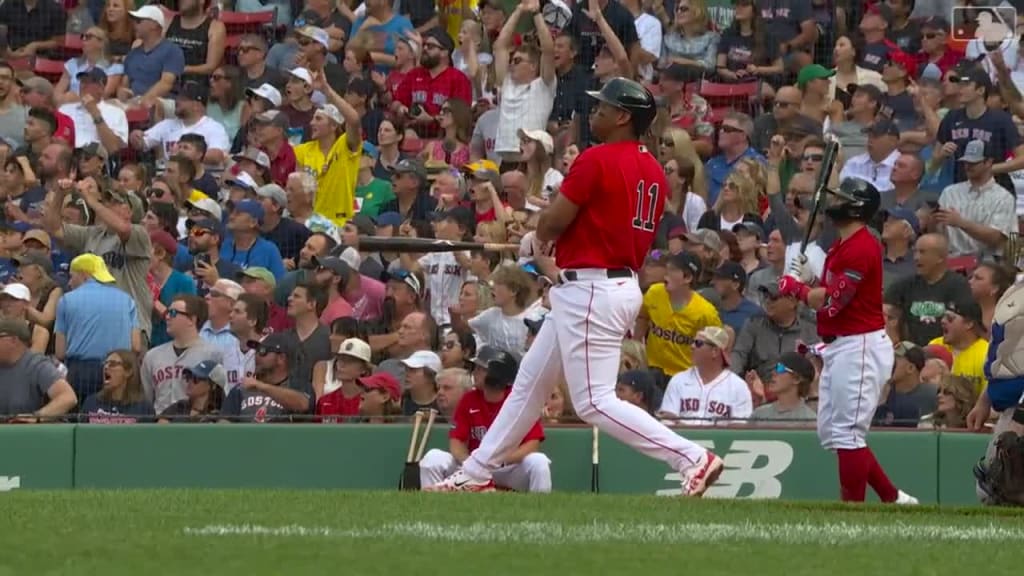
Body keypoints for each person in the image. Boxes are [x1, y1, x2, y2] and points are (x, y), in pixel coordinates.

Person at [427, 78, 724, 496]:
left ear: (623, 117)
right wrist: (547, 239)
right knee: (529, 385)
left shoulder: (598, 158)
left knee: (593, 401)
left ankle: (692, 457)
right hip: (604, 284)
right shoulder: (654, 168)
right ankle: (476, 471)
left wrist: (538, 236)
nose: (594, 113)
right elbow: (600, 219)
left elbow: (553, 221)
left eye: (603, 108)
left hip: (592, 288)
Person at [778, 177, 918, 504]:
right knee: (831, 432)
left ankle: (852, 509)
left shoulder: (861, 246)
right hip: (842, 344)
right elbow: (833, 288)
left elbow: (832, 302)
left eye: (840, 197)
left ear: (856, 207)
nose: (832, 202)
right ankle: (892, 498)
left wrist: (795, 288)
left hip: (860, 345)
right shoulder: (844, 243)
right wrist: (809, 277)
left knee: (848, 434)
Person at [420, 346, 551, 492]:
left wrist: (500, 462)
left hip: (507, 469)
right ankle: (434, 508)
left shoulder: (519, 401)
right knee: (433, 458)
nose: (474, 372)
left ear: (496, 374)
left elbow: (532, 444)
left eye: (480, 369)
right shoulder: (469, 399)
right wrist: (471, 464)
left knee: (539, 462)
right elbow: (456, 441)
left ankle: (540, 507)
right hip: (474, 468)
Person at [141, 294, 223, 414]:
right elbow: (146, 400)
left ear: (192, 320)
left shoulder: (213, 354)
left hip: (195, 425)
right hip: (159, 425)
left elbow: (219, 398)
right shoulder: (152, 356)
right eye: (167, 312)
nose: (167, 317)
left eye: (173, 312)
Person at [658, 326, 752, 426]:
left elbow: (739, 430)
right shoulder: (678, 380)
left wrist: (680, 423)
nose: (692, 346)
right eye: (693, 342)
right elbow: (667, 423)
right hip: (680, 441)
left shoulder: (739, 387)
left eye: (698, 343)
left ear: (714, 351)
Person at [221, 333, 313, 422]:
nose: (256, 356)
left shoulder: (298, 386)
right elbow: (223, 426)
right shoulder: (240, 389)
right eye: (256, 351)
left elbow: (303, 404)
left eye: (262, 351)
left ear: (281, 358)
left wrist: (261, 386)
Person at [80, 349, 155, 423]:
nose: (106, 367)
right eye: (105, 363)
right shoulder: (91, 402)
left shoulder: (143, 407)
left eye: (112, 364)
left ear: (128, 371)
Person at [750, 351, 817, 426]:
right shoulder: (759, 414)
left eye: (780, 368)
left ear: (797, 379)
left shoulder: (809, 421)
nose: (773, 373)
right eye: (775, 368)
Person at [157, 359, 227, 422]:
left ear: (213, 386)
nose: (190, 382)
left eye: (196, 379)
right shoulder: (180, 406)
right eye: (188, 377)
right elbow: (159, 429)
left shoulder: (220, 415)